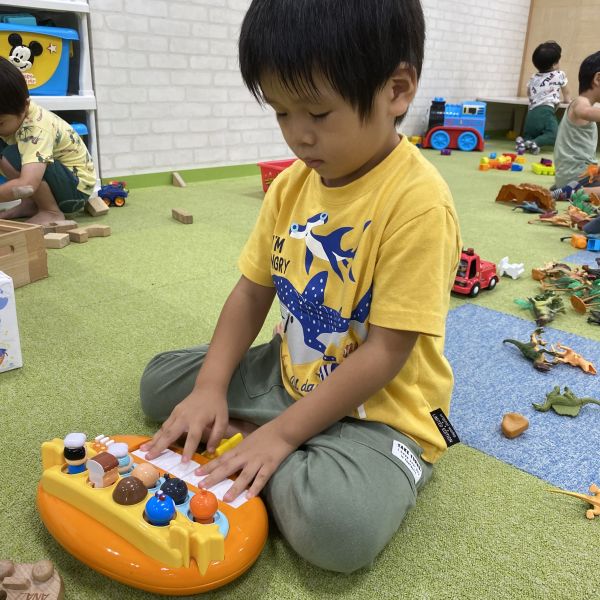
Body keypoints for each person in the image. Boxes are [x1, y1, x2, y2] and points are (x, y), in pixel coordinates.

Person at [139, 0, 461, 573]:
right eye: (282, 113)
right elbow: (251, 292)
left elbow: (387, 352)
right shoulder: (292, 184)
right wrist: (210, 387)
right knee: (160, 384)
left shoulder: (419, 204)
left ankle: (268, 439)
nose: (298, 136)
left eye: (317, 112)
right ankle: (264, 433)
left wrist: (281, 435)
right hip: (290, 368)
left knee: (338, 528)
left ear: (396, 90)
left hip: (380, 409)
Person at [0, 57, 96, 225]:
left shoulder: (36, 129)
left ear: (25, 106)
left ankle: (50, 211)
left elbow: (28, 184)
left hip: (75, 192)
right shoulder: (15, 118)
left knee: (12, 155)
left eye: (0, 123)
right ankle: (31, 204)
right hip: (60, 182)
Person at [549, 51, 600, 211]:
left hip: (577, 174)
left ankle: (566, 189)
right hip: (576, 175)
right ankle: (575, 192)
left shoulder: (586, 103)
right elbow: (585, 112)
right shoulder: (580, 102)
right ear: (598, 79)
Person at [516, 41, 571, 155]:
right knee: (553, 135)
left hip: (531, 112)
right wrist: (567, 101)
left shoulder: (534, 76)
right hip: (546, 111)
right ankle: (534, 143)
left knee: (530, 133)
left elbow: (529, 92)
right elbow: (566, 92)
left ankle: (523, 142)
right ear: (554, 64)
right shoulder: (559, 74)